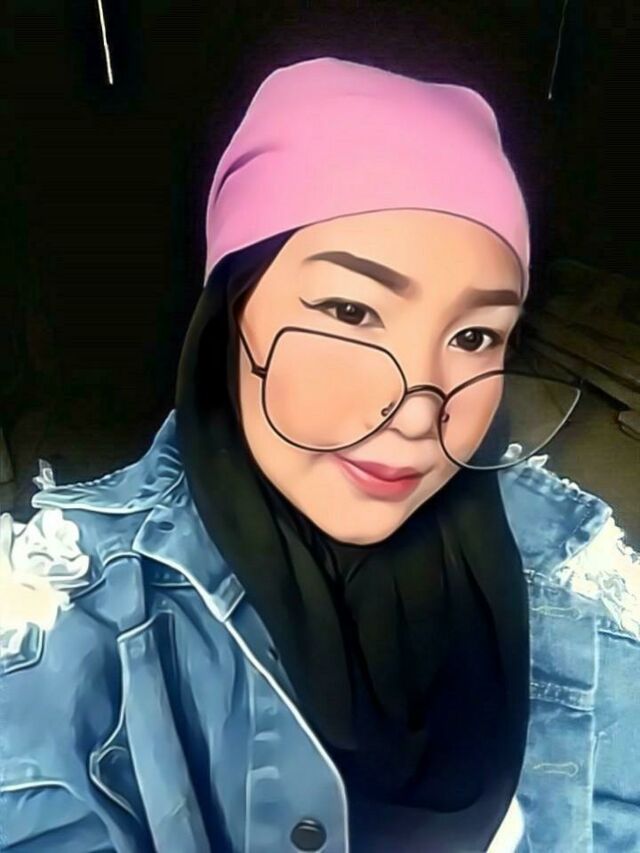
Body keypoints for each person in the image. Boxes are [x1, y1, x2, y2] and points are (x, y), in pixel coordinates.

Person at [1, 56, 638, 853]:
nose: (420, 410)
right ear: (232, 311)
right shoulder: (60, 624)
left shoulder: (583, 578)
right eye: (352, 311)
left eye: (475, 336)